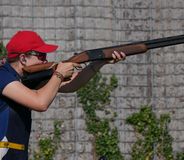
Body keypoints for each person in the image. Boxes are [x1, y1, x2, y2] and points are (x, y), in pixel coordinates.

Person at [0, 30, 126, 160]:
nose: (45, 60)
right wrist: (59, 73)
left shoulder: (24, 80)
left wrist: (99, 62)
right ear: (23, 58)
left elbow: (73, 84)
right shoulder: (2, 76)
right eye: (41, 55)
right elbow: (40, 103)